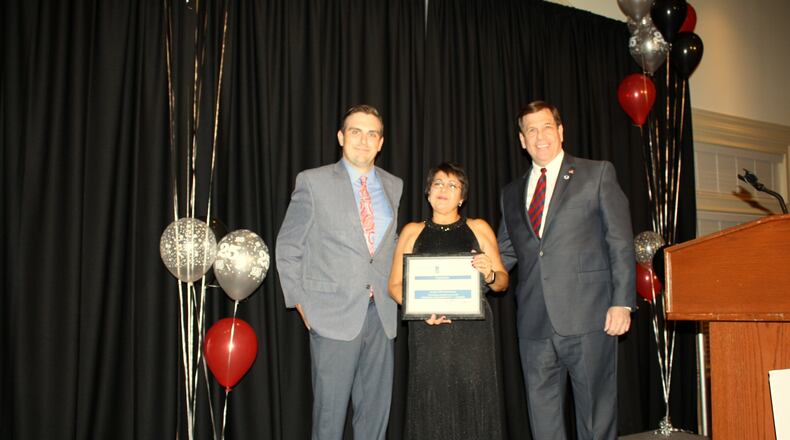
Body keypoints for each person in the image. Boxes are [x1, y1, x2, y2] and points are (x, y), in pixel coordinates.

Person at [497, 101, 636, 440]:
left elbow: (619, 241)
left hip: (590, 318)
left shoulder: (597, 173)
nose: (539, 136)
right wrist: (466, 282)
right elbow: (505, 252)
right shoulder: (511, 193)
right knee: (543, 423)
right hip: (533, 325)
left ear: (560, 131)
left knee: (595, 418)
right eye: (531, 129)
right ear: (521, 139)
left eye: (546, 127)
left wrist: (622, 302)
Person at [275, 104, 403, 440]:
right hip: (331, 314)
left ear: (381, 142)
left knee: (375, 414)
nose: (364, 140)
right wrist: (300, 302)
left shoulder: (394, 185)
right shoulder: (313, 182)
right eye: (356, 132)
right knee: (330, 418)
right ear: (341, 137)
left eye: (372, 133)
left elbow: (388, 251)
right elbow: (289, 246)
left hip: (383, 314)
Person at [388, 162, 509, 440]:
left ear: (462, 197)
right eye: (438, 183)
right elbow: (394, 285)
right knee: (431, 402)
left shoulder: (478, 228)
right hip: (428, 333)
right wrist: (419, 311)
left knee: (474, 401)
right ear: (428, 193)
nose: (444, 189)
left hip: (473, 335)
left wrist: (490, 273)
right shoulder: (411, 231)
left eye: (453, 185)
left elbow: (503, 281)